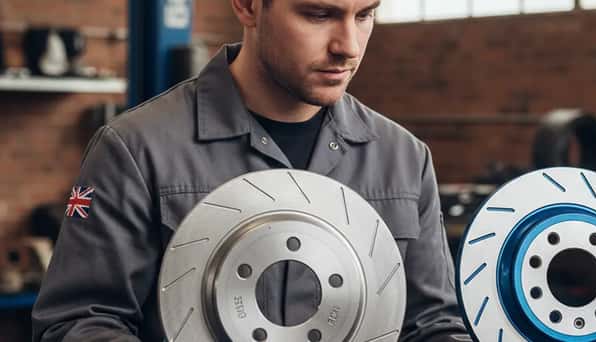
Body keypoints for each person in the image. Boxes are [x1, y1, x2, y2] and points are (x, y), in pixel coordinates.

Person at [31, 0, 470, 341]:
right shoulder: (135, 150)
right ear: (247, 6)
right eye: (319, 14)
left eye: (365, 14)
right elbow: (75, 324)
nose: (348, 46)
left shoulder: (404, 159)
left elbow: (429, 324)